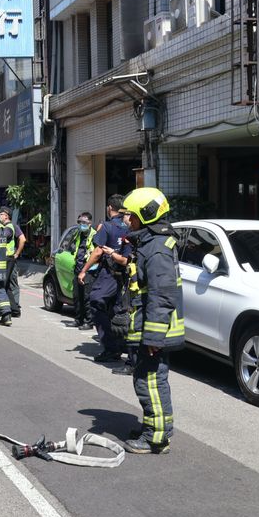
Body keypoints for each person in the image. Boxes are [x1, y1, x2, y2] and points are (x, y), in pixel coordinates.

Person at [118, 187, 184, 454]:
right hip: (147, 327)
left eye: (130, 216)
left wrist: (154, 338)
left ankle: (155, 438)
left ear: (145, 215)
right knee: (149, 381)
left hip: (154, 331)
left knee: (151, 382)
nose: (126, 220)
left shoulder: (156, 249)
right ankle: (154, 427)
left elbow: (161, 295)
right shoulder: (149, 243)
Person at [79, 194, 130, 362]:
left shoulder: (107, 227)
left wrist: (83, 270)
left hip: (109, 274)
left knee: (95, 301)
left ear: (109, 208)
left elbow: (98, 251)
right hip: (127, 274)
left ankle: (111, 347)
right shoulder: (130, 226)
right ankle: (123, 343)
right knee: (116, 309)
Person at [0, 206, 27, 317]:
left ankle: (14, 307)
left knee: (10, 283)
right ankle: (13, 307)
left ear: (6, 216)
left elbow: (23, 239)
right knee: (8, 283)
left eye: (1, 214)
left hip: (9, 259)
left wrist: (17, 253)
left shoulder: (11, 226)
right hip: (10, 259)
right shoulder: (6, 226)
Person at [71, 212, 96, 330]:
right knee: (77, 296)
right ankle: (78, 319)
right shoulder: (78, 234)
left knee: (87, 297)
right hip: (77, 268)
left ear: (90, 223)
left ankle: (89, 321)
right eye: (80, 222)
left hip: (89, 270)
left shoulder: (95, 235)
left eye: (84, 223)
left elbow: (96, 254)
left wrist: (85, 270)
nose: (82, 225)